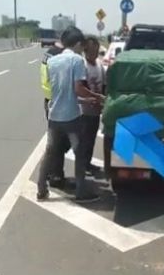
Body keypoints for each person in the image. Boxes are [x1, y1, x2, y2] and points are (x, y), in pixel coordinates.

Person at [37, 27, 104, 203]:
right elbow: (78, 89)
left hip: (53, 116)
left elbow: (60, 91)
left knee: (50, 152)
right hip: (71, 118)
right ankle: (81, 192)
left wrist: (83, 100)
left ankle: (41, 189)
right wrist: (97, 97)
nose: (83, 49)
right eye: (82, 45)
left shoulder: (52, 61)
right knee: (80, 153)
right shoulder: (77, 61)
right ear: (77, 44)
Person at [39, 35, 71, 188]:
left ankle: (52, 173)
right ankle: (54, 175)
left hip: (49, 99)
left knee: (58, 141)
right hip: (58, 101)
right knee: (59, 142)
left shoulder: (50, 52)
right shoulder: (60, 55)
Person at [79, 36, 106, 176]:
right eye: (91, 50)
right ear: (85, 50)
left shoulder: (100, 65)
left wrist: (103, 101)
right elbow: (81, 87)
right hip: (83, 110)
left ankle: (87, 163)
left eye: (96, 50)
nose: (94, 53)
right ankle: (81, 166)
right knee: (83, 140)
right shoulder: (82, 65)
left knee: (91, 139)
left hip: (95, 110)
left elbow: (104, 86)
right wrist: (94, 98)